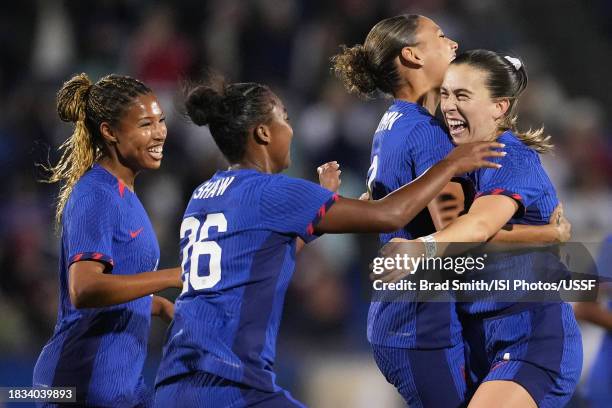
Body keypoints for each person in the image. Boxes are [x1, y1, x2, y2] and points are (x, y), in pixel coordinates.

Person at [152, 74, 505, 407]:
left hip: (175, 381)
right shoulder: (274, 191)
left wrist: (315, 218)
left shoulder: (205, 194)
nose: (291, 129)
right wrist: (449, 165)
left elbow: (261, 258)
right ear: (262, 133)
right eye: (284, 118)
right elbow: (389, 215)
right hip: (230, 386)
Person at [331, 14, 570, 407]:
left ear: (500, 106)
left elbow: (389, 208)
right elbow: (461, 236)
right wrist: (547, 234)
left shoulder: (393, 123)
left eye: (463, 95)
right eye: (440, 37)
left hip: (402, 315)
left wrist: (337, 207)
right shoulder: (429, 136)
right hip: (422, 317)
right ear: (411, 55)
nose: (453, 44)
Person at [382, 50, 583, 408]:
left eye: (462, 96)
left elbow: (478, 227)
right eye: (444, 94)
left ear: (499, 107)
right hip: (478, 341)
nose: (448, 106)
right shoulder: (455, 161)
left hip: (530, 338)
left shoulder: (510, 156)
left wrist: (419, 249)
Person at [32, 73, 182, 407]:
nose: (159, 132)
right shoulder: (95, 194)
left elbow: (119, 288)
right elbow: (84, 289)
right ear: (110, 132)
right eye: (145, 124)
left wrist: (162, 307)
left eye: (161, 120)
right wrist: (174, 276)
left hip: (122, 386)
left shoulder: (125, 193)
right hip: (79, 387)